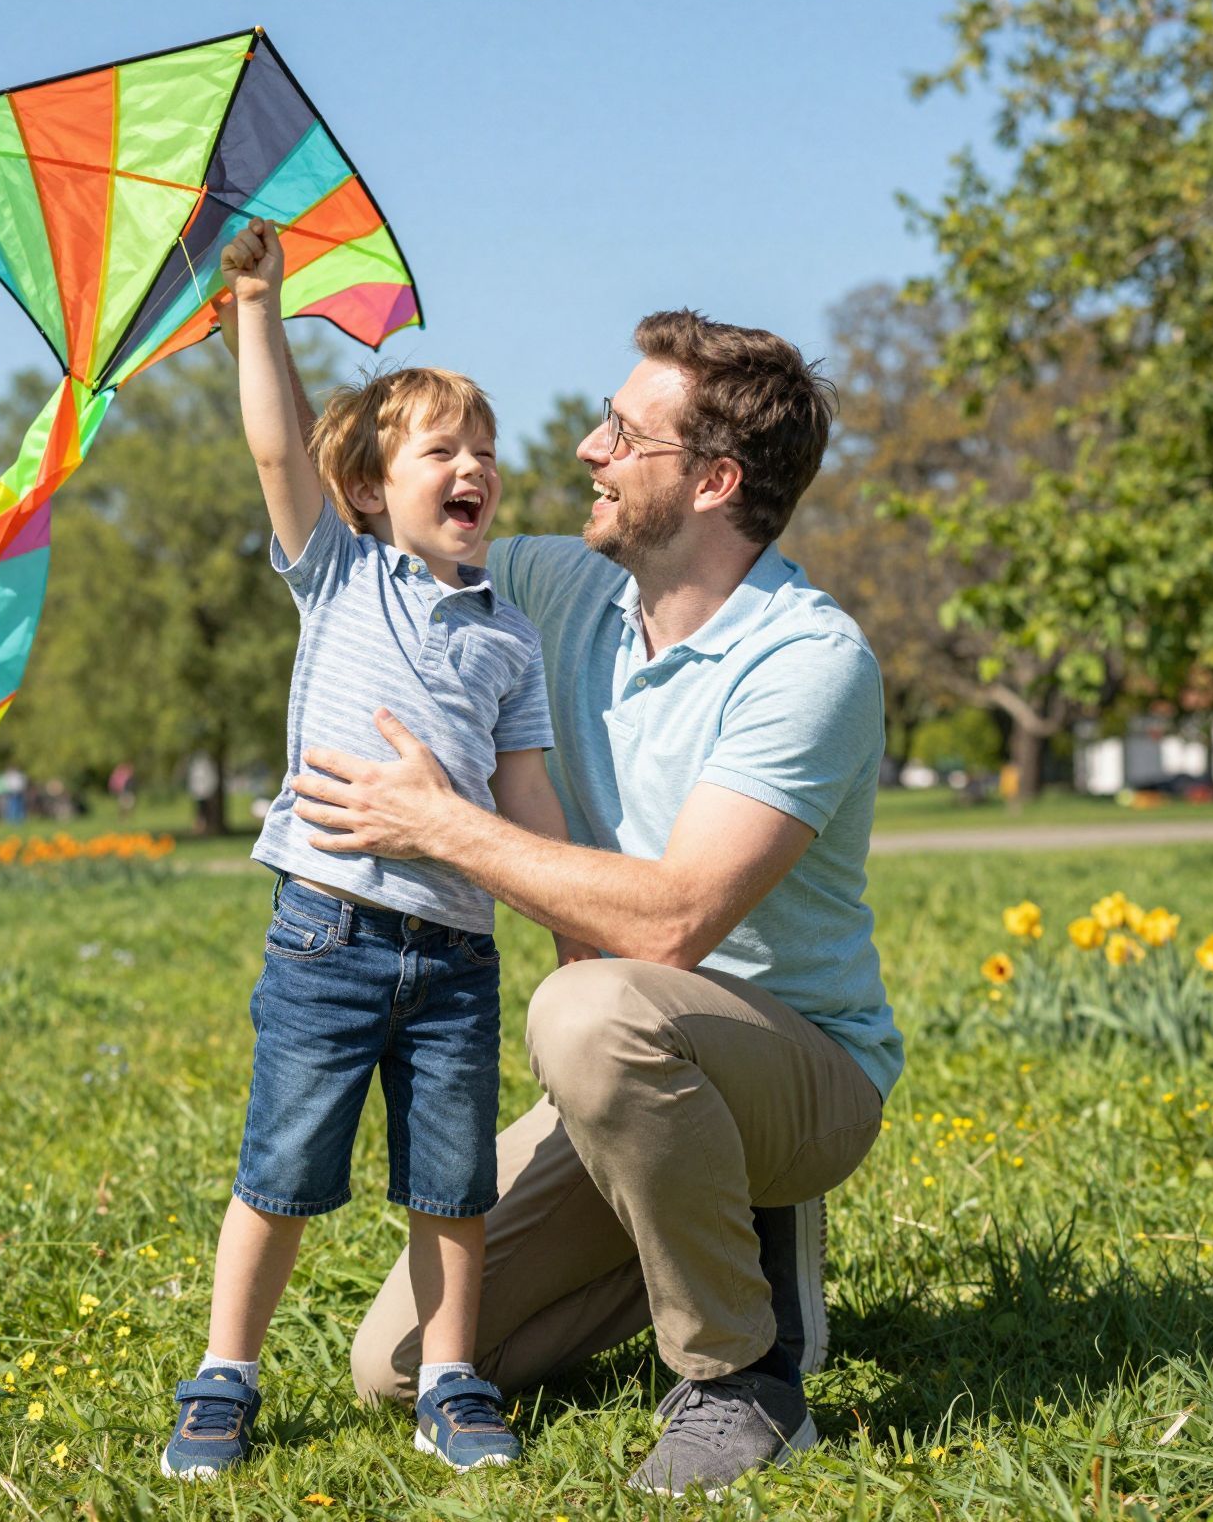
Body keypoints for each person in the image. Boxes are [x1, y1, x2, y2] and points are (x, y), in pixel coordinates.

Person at [292, 310, 898, 1498]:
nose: (585, 449)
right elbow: (371, 554)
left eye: (623, 432)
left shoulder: (806, 660)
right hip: (629, 1068)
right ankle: (711, 1235)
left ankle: (740, 1378)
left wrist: (440, 825)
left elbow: (672, 923)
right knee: (406, 1364)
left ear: (713, 481)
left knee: (588, 1008)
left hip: (797, 1068)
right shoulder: (549, 590)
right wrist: (256, 332)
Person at [159, 218, 586, 1483]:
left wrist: (573, 938)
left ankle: (452, 1378)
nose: (473, 467)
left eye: (485, 451)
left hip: (456, 953)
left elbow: (529, 798)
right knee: (281, 1172)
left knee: (453, 1186)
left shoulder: (509, 637)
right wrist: (256, 306)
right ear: (367, 490)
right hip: (329, 932)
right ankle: (225, 1374)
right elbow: (275, 442)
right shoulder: (338, 575)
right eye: (439, 449)